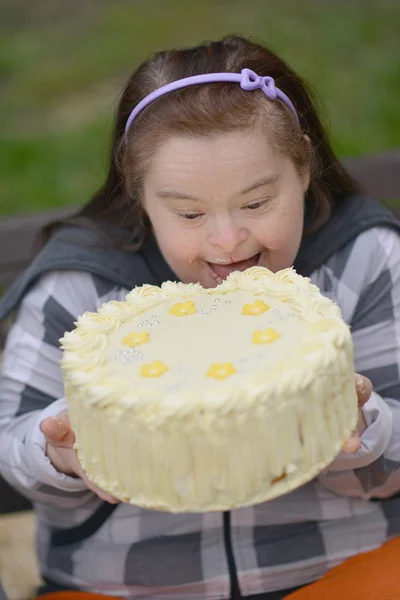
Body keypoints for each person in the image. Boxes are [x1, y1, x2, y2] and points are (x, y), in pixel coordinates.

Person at [0, 34, 400, 600]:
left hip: (338, 569)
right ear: (140, 194)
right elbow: (10, 438)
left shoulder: (363, 260)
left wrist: (359, 430)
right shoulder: (80, 285)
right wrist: (62, 454)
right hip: (129, 586)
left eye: (258, 202)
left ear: (304, 167)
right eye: (188, 212)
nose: (228, 239)